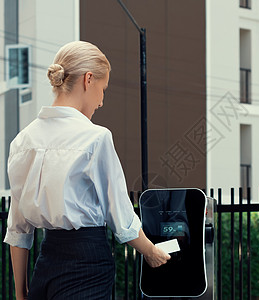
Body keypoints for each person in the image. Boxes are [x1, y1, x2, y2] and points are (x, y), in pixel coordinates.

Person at [3, 41, 170, 300]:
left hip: (45, 268)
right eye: (103, 90)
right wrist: (151, 251)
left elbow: (18, 230)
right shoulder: (96, 138)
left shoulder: (22, 142)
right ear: (88, 80)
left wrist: (21, 292)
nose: (101, 101)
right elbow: (121, 217)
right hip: (87, 264)